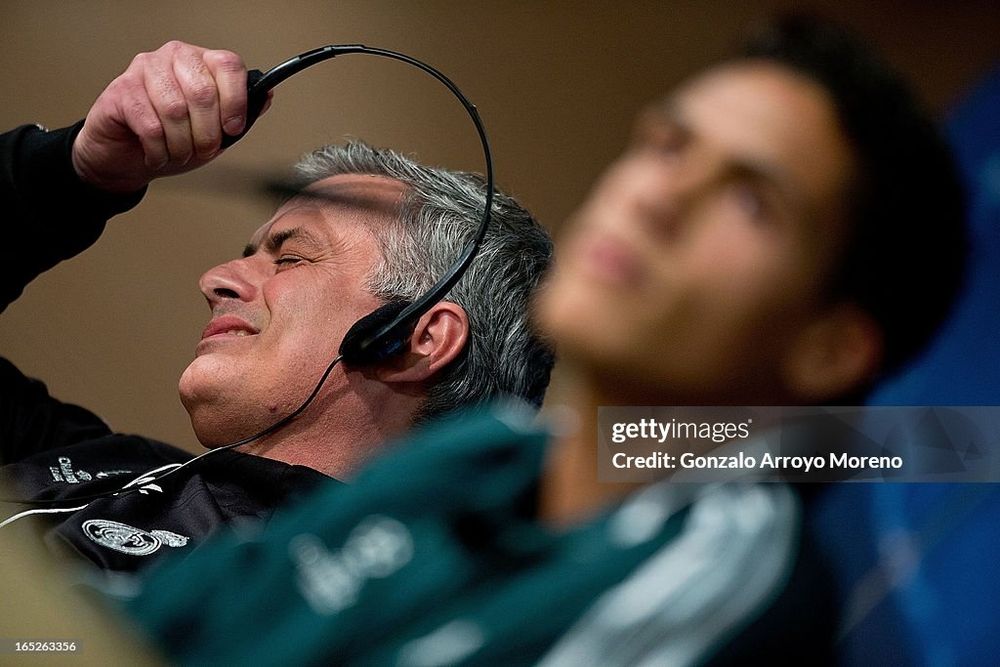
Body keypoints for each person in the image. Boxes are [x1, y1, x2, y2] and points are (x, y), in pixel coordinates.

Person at [122, 16, 967, 665]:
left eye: (751, 201)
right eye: (667, 146)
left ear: (827, 346)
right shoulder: (480, 456)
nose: (656, 198)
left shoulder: (729, 569)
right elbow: (144, 630)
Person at [0, 41, 554, 572]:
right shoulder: (90, 459)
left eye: (289, 259)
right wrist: (75, 171)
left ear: (414, 337)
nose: (214, 279)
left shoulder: (373, 614)